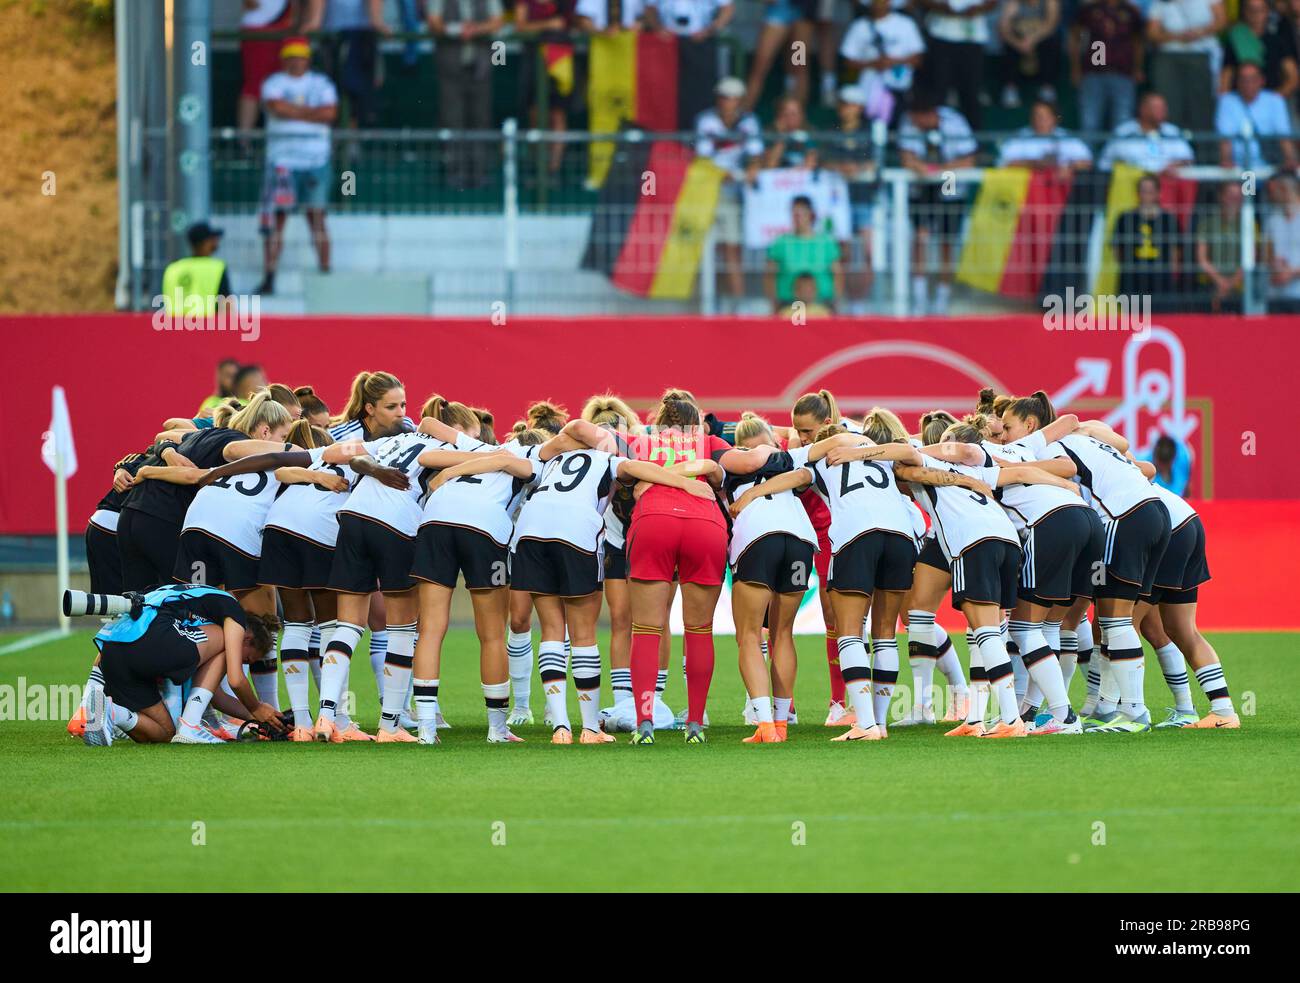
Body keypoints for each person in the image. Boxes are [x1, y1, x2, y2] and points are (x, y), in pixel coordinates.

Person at [82, 583, 283, 746]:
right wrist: (257, 707)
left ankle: (110, 712)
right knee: (226, 643)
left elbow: (218, 698)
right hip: (148, 637)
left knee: (164, 733)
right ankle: (191, 726)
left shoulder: (191, 600)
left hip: (112, 649)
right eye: (247, 659)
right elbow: (236, 680)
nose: (242, 661)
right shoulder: (234, 612)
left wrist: (258, 718)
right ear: (247, 637)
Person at [257, 36, 338, 295]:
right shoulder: (274, 83)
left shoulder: (321, 83)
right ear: (284, 59)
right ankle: (269, 277)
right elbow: (276, 108)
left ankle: (325, 273)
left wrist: (295, 112)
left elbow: (330, 114)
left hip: (315, 160)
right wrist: (312, 114)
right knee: (277, 220)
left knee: (317, 218)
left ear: (308, 58)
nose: (296, 61)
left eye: (300, 56)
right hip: (283, 161)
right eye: (291, 56)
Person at [897, 93, 978, 315]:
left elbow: (969, 159)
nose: (914, 122)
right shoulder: (908, 122)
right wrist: (921, 168)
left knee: (946, 242)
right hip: (922, 185)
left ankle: (942, 296)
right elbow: (906, 157)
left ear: (930, 114)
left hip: (951, 184)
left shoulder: (955, 122)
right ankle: (919, 297)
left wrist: (943, 169)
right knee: (920, 237)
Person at [695, 76, 763, 310]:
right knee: (715, 249)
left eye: (734, 98)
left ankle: (735, 305)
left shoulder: (749, 122)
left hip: (740, 193)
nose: (729, 102)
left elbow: (756, 154)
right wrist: (736, 175)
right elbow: (704, 160)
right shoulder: (706, 121)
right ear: (718, 98)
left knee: (732, 249)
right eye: (725, 97)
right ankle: (718, 305)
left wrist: (752, 169)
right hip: (711, 191)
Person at [428, 0, 506, 190]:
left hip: (480, 68)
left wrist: (475, 29)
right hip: (450, 67)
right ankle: (455, 173)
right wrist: (454, 30)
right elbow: (433, 22)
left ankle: (478, 173)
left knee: (480, 119)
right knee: (451, 119)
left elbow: (497, 21)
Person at [1146, 0, 1227, 138]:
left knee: (1201, 111)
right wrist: (1177, 37)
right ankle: (1171, 149)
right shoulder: (1161, 3)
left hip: (1200, 56)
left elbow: (1222, 21)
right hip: (1169, 57)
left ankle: (1204, 155)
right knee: (1171, 109)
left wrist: (1200, 33)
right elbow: (1151, 33)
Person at [515, 0, 579, 174]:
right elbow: (520, 26)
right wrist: (548, 24)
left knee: (558, 114)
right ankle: (537, 168)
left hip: (561, 60)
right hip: (534, 60)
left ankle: (553, 169)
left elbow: (577, 23)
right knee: (536, 114)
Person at [838, 0, 925, 124]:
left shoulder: (906, 24)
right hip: (866, 91)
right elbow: (847, 61)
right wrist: (873, 64)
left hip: (900, 89)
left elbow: (918, 58)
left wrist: (893, 61)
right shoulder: (859, 26)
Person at [917, 0, 997, 129]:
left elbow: (993, 3)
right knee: (938, 90)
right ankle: (934, 138)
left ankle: (974, 141)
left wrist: (976, 9)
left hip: (972, 38)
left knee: (971, 92)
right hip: (941, 36)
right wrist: (943, 8)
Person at [1070, 0, 1146, 136]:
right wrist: (1076, 68)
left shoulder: (1130, 11)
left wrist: (1137, 68)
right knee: (1090, 123)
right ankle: (1088, 157)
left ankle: (1120, 157)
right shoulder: (1090, 9)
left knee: (1122, 123)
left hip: (1123, 72)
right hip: (1094, 72)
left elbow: (1138, 41)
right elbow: (1075, 36)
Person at [1111, 173, 1184, 310]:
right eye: (1143, 191)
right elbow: (1117, 251)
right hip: (1132, 283)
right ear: (1138, 193)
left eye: (1150, 191)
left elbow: (1176, 252)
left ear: (1158, 193)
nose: (1147, 195)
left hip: (1161, 283)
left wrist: (1170, 278)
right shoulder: (1125, 218)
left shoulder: (1169, 220)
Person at [320, 0, 390, 138]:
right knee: (334, 94)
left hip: (362, 41)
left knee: (358, 99)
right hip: (332, 40)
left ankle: (351, 144)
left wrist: (376, 20)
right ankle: (337, 143)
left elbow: (376, 18)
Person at [764, 195, 843, 314]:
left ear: (810, 215)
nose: (796, 219)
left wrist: (836, 304)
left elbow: (838, 274)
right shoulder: (781, 242)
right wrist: (773, 304)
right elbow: (770, 275)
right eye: (794, 214)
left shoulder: (826, 242)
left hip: (821, 304)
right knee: (794, 329)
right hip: (789, 304)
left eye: (800, 214)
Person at [1216, 62, 1298, 172]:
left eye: (1252, 79)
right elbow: (1225, 140)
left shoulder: (1275, 101)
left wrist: (1289, 159)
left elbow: (1284, 137)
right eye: (1244, 79)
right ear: (1237, 82)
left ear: (1262, 80)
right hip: (1241, 168)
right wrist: (1227, 160)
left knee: (1285, 187)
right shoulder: (1227, 102)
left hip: (1272, 166)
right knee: (1238, 189)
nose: (1248, 84)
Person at [1097, 92, 1195, 172]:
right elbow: (1105, 164)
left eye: (1164, 108)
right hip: (1132, 185)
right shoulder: (1124, 131)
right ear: (1143, 109)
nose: (1163, 111)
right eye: (1157, 108)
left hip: (1167, 184)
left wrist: (1173, 167)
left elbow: (1188, 159)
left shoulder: (1173, 132)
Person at [1220, 0, 1298, 96]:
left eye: (1260, 10)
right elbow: (1225, 79)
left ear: (1267, 12)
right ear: (1244, 12)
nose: (1256, 15)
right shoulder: (1235, 40)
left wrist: (1272, 99)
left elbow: (1293, 77)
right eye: (1252, 10)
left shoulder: (1277, 41)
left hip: (1270, 101)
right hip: (1241, 103)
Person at [1194, 181, 1250, 313]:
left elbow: (1251, 260)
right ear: (1220, 196)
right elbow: (1202, 259)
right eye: (1230, 195)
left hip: (1239, 286)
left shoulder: (1248, 224)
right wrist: (1221, 282)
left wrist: (1230, 284)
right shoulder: (1207, 223)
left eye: (1238, 196)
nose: (1234, 200)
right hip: (1210, 284)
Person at [997, 99, 1094, 172]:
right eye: (1036, 116)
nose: (1040, 120)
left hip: (1061, 191)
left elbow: (1087, 162)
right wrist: (1033, 164)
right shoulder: (1020, 137)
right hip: (1027, 191)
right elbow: (1003, 163)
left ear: (1054, 118)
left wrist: (1068, 166)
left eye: (1045, 117)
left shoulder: (1067, 137)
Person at [998, 0, 1062, 108]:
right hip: (1020, 41)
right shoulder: (1014, 3)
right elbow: (1003, 27)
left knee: (1051, 42)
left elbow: (1051, 23)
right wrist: (1017, 43)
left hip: (1039, 39)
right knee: (1008, 46)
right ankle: (1010, 88)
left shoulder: (1049, 2)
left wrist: (1032, 40)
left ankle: (1047, 87)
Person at [161, 222, 231, 318]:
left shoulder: (172, 269)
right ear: (204, 243)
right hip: (207, 329)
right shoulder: (217, 268)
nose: (215, 242)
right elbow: (226, 308)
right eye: (212, 239)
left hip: (174, 330)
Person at [1266, 173, 1300, 311]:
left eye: (1276, 190)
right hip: (1276, 293)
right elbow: (1266, 253)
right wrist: (1273, 264)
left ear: (1287, 191)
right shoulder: (1272, 220)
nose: (1272, 195)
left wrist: (1291, 273)